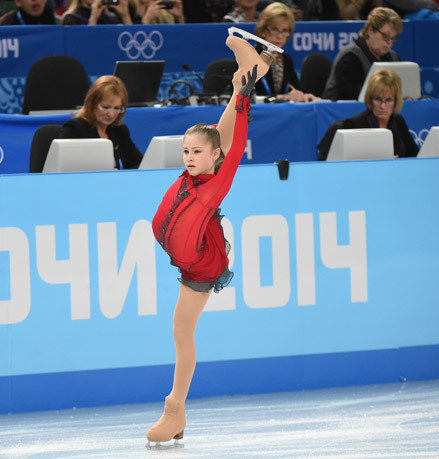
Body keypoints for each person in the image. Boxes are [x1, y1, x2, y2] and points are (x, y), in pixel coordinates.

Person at [145, 29, 273, 449]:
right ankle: (254, 69)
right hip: (190, 254)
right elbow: (220, 135)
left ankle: (174, 408)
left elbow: (232, 147)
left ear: (213, 157)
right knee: (180, 332)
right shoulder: (199, 171)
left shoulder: (215, 182)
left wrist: (242, 99)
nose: (189, 157)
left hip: (201, 261)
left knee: (182, 333)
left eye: (196, 153)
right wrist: (240, 87)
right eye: (186, 151)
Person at [317, 69, 418, 160]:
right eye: (378, 99)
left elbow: (415, 155)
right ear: (370, 99)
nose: (382, 106)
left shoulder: (398, 121)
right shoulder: (354, 125)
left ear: (396, 102)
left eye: (388, 100)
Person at [57, 76, 142, 169]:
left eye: (117, 108)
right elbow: (64, 169)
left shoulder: (120, 131)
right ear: (92, 104)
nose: (111, 114)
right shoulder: (75, 129)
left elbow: (139, 165)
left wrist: (120, 174)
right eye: (106, 107)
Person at [322, 7, 402, 101]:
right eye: (385, 36)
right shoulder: (350, 56)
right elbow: (348, 95)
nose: (389, 43)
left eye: (393, 38)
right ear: (371, 30)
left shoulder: (393, 57)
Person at [254, 2, 320, 102]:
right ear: (263, 30)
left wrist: (303, 95)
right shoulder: (250, 56)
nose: (280, 36)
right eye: (274, 30)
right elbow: (246, 95)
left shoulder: (286, 59)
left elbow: (296, 88)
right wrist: (276, 98)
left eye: (284, 31)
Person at [61, 0, 140, 24]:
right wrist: (93, 17)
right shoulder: (71, 19)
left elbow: (127, 40)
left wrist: (125, 16)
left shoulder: (111, 19)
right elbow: (84, 44)